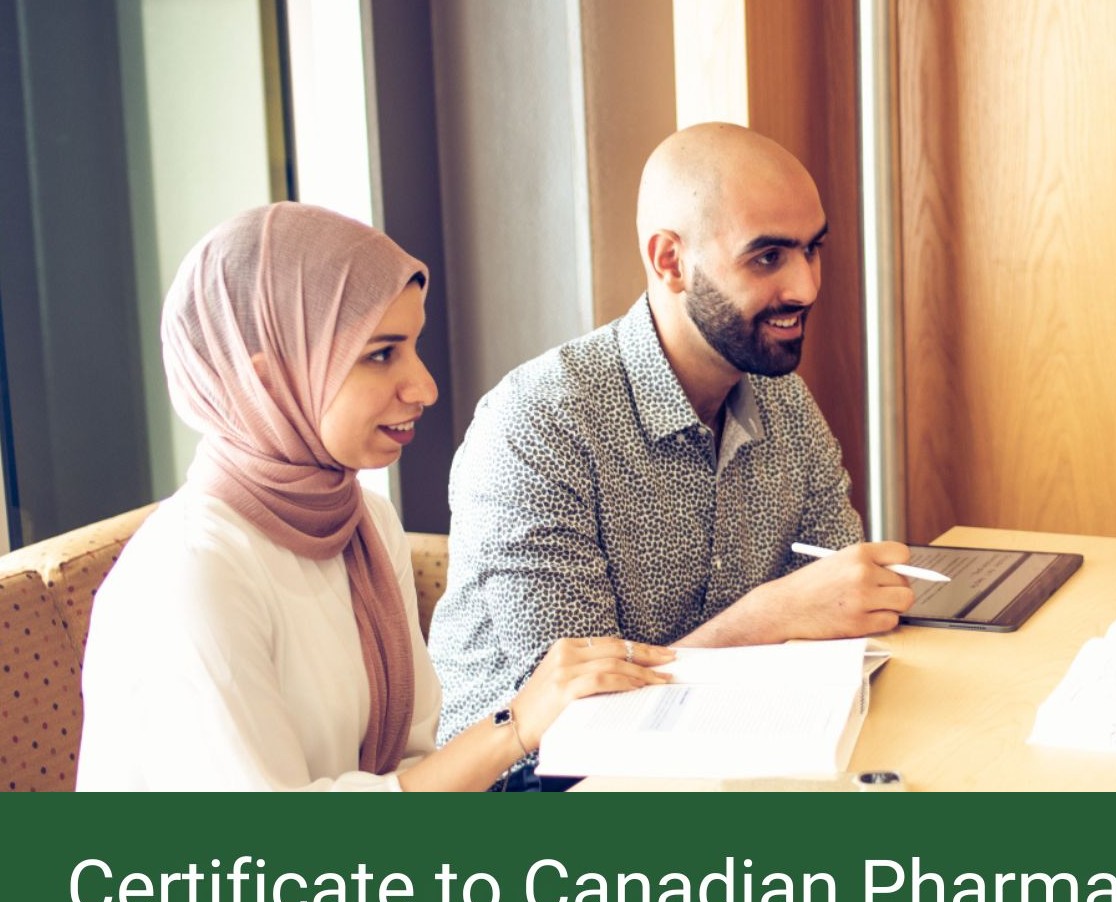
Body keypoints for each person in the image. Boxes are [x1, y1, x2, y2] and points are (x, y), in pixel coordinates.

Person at [76, 203, 674, 791]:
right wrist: (515, 724)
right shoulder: (191, 574)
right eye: (381, 354)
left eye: (413, 346)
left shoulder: (363, 522)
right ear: (265, 380)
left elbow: (414, 760)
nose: (425, 387)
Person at [428, 123, 913, 786]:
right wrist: (768, 617)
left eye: (812, 249)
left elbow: (835, 615)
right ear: (669, 260)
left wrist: (846, 601)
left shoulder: (785, 404)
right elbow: (571, 724)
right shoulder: (539, 425)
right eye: (767, 257)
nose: (805, 286)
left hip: (725, 757)